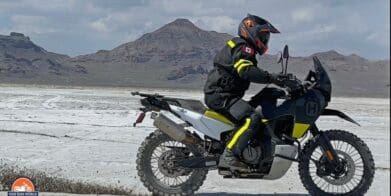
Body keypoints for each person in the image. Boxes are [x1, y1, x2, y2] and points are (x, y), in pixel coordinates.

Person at [203, 14, 286, 170]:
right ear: (251, 31)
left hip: (225, 95)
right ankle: (229, 155)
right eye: (263, 35)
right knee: (252, 118)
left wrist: (273, 87)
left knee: (259, 103)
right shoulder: (243, 47)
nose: (265, 40)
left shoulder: (242, 47)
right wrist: (272, 78)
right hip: (221, 96)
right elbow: (246, 71)